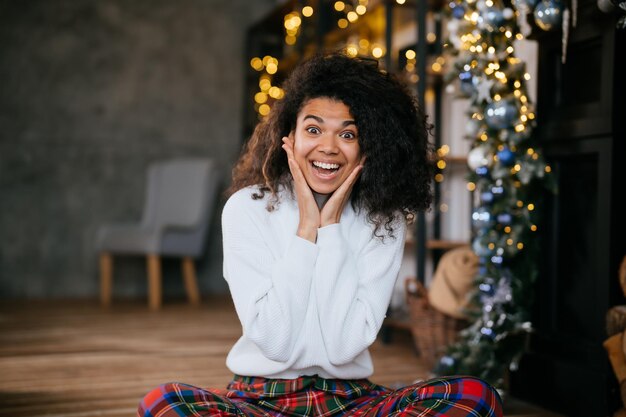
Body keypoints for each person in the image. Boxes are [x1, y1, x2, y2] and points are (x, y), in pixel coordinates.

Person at [137, 52, 503, 417]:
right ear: (290, 137)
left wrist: (331, 230)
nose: (328, 147)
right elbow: (275, 342)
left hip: (353, 400)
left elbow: (344, 347)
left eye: (347, 134)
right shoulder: (247, 208)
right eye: (313, 129)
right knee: (164, 404)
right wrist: (306, 230)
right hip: (259, 399)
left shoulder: (383, 220)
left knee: (475, 396)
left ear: (368, 145)